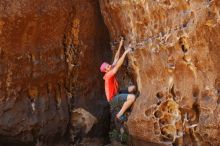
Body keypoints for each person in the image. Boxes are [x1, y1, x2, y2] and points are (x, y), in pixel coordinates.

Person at [100, 37, 136, 122]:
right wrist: (126, 52)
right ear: (105, 70)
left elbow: (116, 59)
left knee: (133, 88)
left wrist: (120, 45)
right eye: (108, 67)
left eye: (108, 65)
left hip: (117, 93)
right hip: (113, 99)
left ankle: (125, 105)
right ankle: (120, 114)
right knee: (133, 97)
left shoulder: (109, 69)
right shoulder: (108, 75)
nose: (109, 66)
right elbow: (117, 66)